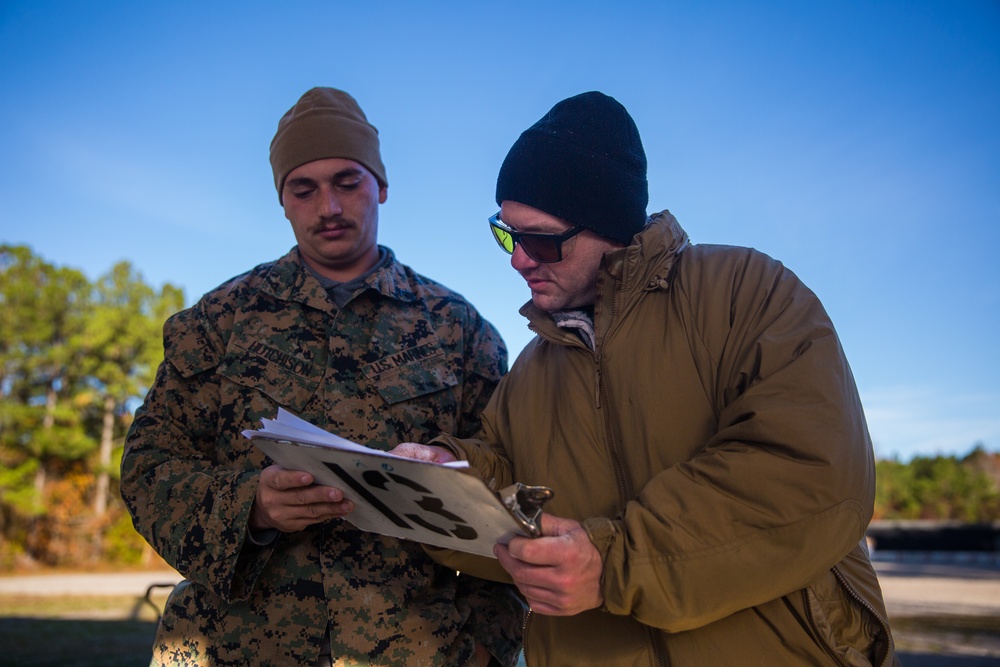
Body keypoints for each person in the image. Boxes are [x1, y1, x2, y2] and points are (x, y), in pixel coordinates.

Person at [391, 92, 901, 666]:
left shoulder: (746, 293)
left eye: (539, 239)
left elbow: (813, 471)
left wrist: (611, 565)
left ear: (608, 223)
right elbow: (512, 492)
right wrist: (441, 478)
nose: (517, 260)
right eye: (505, 234)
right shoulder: (531, 370)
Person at [120, 87, 525, 667]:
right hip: (234, 648)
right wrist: (251, 506)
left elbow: (511, 489)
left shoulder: (459, 330)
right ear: (282, 201)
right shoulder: (217, 322)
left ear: (381, 186)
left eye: (347, 182)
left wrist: (489, 645)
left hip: (416, 649)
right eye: (303, 189)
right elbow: (147, 470)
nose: (328, 207)